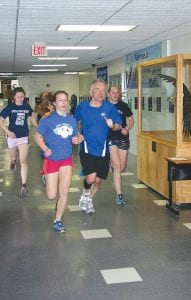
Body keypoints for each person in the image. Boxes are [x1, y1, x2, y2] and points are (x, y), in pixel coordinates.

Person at [34, 91, 82, 233]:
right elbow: (37, 136)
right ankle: (46, 176)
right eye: (60, 100)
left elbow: (76, 136)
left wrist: (78, 139)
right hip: (51, 160)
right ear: (54, 103)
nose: (63, 103)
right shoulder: (47, 120)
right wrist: (44, 148)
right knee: (51, 196)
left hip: (66, 159)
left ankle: (58, 220)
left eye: (65, 100)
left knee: (64, 192)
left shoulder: (71, 120)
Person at [74, 79, 122, 214]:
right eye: (98, 89)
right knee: (91, 177)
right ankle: (85, 193)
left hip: (103, 151)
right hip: (87, 149)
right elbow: (73, 121)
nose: (101, 93)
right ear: (91, 92)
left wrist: (112, 125)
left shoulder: (109, 108)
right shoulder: (82, 106)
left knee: (98, 180)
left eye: (103, 90)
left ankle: (88, 199)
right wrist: (78, 134)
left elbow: (118, 126)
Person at [0, 87, 37, 194]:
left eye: (22, 97)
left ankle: (24, 184)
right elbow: (1, 121)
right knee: (13, 158)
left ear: (24, 96)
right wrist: (8, 132)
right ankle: (13, 161)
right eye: (18, 97)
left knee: (23, 160)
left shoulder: (26, 106)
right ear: (14, 97)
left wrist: (38, 127)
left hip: (23, 137)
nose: (20, 99)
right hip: (12, 137)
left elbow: (31, 118)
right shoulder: (10, 107)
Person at [108, 85, 134, 205]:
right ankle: (119, 195)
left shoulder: (123, 106)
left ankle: (113, 166)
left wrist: (127, 128)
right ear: (109, 93)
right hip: (110, 138)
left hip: (123, 138)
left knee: (121, 167)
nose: (115, 94)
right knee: (117, 166)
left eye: (117, 92)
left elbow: (131, 120)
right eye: (113, 92)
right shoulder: (105, 106)